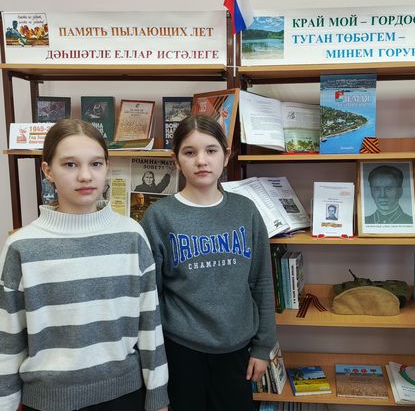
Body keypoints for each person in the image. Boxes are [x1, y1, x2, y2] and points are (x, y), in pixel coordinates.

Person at [0, 119, 169, 411]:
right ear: (47, 170)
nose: (85, 176)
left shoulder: (132, 236)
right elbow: (8, 340)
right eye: (70, 164)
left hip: (124, 396)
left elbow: (149, 324)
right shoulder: (21, 246)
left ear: (106, 167)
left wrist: (158, 397)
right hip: (48, 401)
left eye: (96, 164)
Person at [140, 114, 276, 411]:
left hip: (238, 350)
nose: (201, 160)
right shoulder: (159, 217)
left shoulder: (246, 210)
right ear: (176, 161)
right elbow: (151, 297)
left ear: (225, 156)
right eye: (189, 152)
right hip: (181, 351)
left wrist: (263, 346)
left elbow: (262, 281)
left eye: (211, 150)